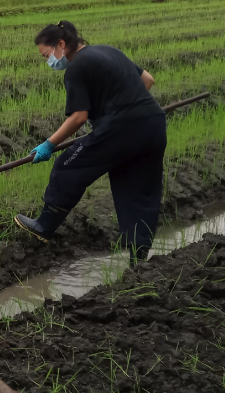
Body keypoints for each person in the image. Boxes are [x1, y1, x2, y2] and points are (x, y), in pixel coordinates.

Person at [15, 21, 166, 265]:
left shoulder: (77, 67)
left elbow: (78, 117)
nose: (48, 61)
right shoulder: (109, 51)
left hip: (121, 130)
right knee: (138, 192)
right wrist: (129, 109)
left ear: (61, 45)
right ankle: (139, 262)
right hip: (154, 126)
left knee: (68, 166)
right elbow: (147, 79)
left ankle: (44, 225)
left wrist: (48, 145)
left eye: (47, 55)